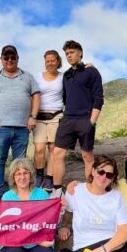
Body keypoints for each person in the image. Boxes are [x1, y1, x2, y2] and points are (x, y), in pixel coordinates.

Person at [0, 45, 40, 195]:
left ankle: (18, 192)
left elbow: (36, 96)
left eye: (12, 57)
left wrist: (33, 116)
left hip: (22, 128)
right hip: (0, 128)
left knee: (20, 163)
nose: (9, 60)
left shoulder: (28, 77)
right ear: (1, 59)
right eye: (6, 57)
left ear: (17, 59)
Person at [51, 40, 104, 190]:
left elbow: (98, 98)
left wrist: (92, 122)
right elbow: (65, 98)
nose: (69, 55)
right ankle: (57, 191)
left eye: (72, 52)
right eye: (67, 53)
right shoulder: (66, 75)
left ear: (80, 53)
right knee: (57, 153)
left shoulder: (91, 71)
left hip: (85, 119)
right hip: (68, 118)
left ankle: (91, 190)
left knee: (87, 156)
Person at [33, 50, 64, 190]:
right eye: (47, 61)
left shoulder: (63, 77)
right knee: (39, 148)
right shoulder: (37, 77)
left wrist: (87, 66)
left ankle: (49, 178)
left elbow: (77, 75)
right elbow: (32, 96)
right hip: (39, 116)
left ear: (58, 61)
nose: (50, 63)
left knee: (52, 148)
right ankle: (39, 175)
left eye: (52, 61)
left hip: (56, 115)